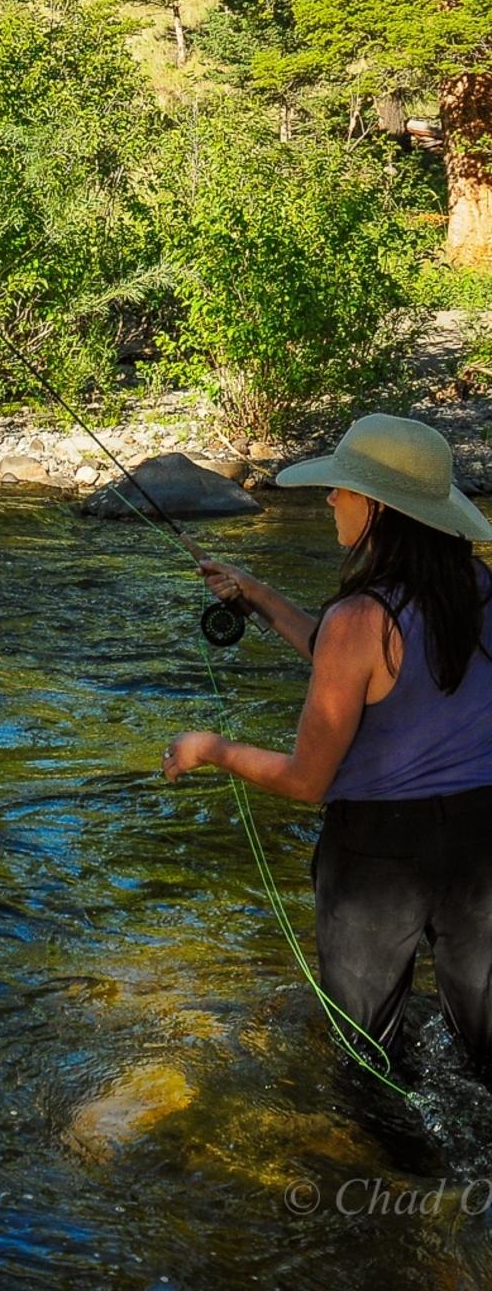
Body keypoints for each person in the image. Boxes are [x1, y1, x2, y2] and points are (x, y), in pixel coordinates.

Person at [161, 413, 492, 1079]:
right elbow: (367, 664)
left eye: (343, 488)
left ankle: (392, 1177)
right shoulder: (478, 591)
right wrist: (257, 594)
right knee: (487, 1051)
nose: (330, 498)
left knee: (368, 1060)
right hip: (484, 839)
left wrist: (211, 748)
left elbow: (307, 781)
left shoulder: (359, 617)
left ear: (378, 507)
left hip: (378, 854)